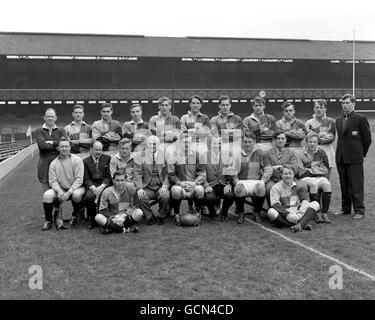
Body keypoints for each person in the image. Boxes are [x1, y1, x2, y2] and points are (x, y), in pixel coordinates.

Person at [335, 93, 372, 219]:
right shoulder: (338, 120)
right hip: (341, 157)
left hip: (355, 157)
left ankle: (359, 210)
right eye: (343, 103)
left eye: (347, 103)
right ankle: (345, 209)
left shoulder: (361, 118)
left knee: (356, 185)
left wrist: (361, 153)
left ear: (353, 104)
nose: (345, 105)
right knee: (344, 185)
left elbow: (367, 139)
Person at [41, 138, 85, 231]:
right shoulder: (53, 163)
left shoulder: (77, 160)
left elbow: (79, 180)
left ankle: (75, 215)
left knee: (76, 195)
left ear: (70, 148)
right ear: (58, 148)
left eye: (66, 146)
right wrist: (59, 191)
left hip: (76, 188)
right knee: (47, 195)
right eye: (62, 146)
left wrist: (69, 192)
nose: (64, 149)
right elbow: (52, 181)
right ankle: (48, 221)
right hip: (61, 189)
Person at [231, 130, 272, 224]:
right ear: (242, 142)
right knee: (238, 187)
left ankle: (257, 213)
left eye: (250, 142)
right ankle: (241, 213)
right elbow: (232, 170)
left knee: (261, 187)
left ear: (254, 142)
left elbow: (268, 169)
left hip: (255, 181)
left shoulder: (261, 153)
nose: (247, 144)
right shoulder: (236, 154)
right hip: (242, 181)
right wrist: (236, 180)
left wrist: (263, 180)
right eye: (245, 142)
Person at [267, 165, 320, 232]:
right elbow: (275, 204)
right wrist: (288, 215)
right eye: (285, 174)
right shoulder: (276, 187)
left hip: (297, 213)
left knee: (315, 204)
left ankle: (297, 225)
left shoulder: (298, 186)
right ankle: (301, 224)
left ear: (293, 175)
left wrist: (299, 214)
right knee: (271, 212)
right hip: (284, 214)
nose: (288, 176)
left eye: (290, 173)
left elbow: (305, 201)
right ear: (281, 175)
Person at [168, 134, 206, 225]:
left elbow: (203, 173)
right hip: (180, 186)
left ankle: (196, 213)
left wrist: (195, 183)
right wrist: (179, 183)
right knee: (176, 190)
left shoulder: (198, 156)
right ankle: (177, 215)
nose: (186, 144)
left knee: (200, 190)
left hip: (193, 186)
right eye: (184, 142)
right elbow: (170, 173)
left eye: (188, 142)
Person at [133, 135, 170, 225]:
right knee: (141, 196)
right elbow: (137, 173)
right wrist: (139, 188)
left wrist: (165, 186)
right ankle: (149, 216)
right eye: (150, 144)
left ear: (158, 145)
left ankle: (161, 216)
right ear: (146, 144)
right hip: (147, 186)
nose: (152, 146)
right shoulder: (139, 155)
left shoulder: (165, 155)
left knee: (165, 196)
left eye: (154, 144)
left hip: (160, 186)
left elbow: (169, 172)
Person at [297, 132, 331, 223]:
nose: (312, 144)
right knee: (313, 184)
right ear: (306, 142)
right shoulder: (299, 154)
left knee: (327, 184)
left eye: (315, 142)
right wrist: (317, 169)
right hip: (304, 179)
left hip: (317, 177)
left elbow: (326, 169)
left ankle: (325, 213)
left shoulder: (321, 152)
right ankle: (317, 213)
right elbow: (301, 172)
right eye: (310, 141)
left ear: (317, 142)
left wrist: (310, 168)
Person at [202, 136, 235, 222]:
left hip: (223, 184)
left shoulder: (227, 155)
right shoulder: (204, 156)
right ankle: (211, 213)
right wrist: (206, 186)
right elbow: (201, 173)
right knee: (209, 197)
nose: (217, 146)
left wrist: (229, 184)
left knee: (230, 195)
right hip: (210, 185)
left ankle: (224, 213)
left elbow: (230, 172)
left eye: (219, 143)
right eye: (215, 143)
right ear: (210, 144)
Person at [35, 108, 68, 192]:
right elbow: (42, 146)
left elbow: (65, 144)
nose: (50, 118)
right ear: (44, 117)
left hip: (59, 161)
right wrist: (58, 146)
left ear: (55, 117)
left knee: (59, 188)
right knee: (47, 190)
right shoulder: (39, 130)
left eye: (52, 116)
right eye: (48, 116)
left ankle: (57, 205)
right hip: (44, 162)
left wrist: (52, 142)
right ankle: (49, 204)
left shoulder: (61, 130)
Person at [265, 132, 299, 206]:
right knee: (269, 188)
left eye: (282, 138)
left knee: (301, 185)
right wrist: (273, 168)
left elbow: (295, 167)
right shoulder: (267, 153)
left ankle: (293, 208)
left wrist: (281, 167)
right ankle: (272, 208)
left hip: (288, 178)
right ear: (274, 140)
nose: (280, 140)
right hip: (272, 179)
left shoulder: (291, 153)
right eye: (278, 138)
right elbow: (265, 168)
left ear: (286, 140)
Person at [83, 141, 111, 229]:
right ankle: (92, 219)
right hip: (92, 185)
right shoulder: (85, 161)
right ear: (91, 149)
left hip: (104, 184)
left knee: (105, 194)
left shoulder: (108, 158)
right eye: (96, 150)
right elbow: (86, 178)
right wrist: (93, 188)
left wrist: (103, 186)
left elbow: (109, 175)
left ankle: (104, 218)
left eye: (100, 150)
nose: (98, 152)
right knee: (89, 197)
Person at [305, 99, 336, 178]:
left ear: (325, 109)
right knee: (312, 180)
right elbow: (308, 139)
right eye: (317, 107)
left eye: (321, 107)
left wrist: (314, 134)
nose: (319, 109)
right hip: (312, 153)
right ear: (314, 109)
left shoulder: (331, 122)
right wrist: (323, 134)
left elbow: (331, 138)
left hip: (327, 152)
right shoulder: (308, 123)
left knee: (325, 180)